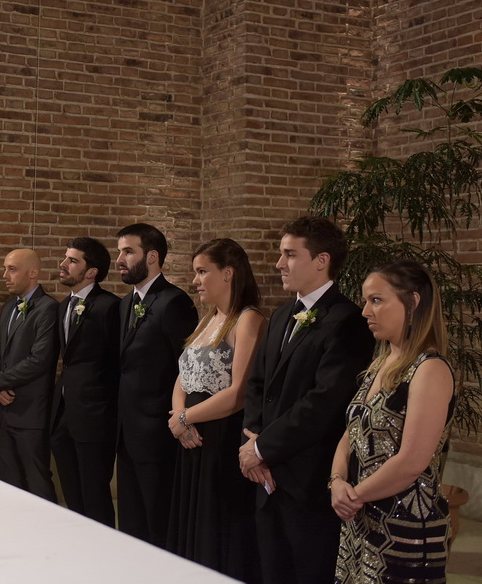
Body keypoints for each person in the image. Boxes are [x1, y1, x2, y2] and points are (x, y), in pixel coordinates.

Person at [240, 216, 374, 584]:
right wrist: (251, 443)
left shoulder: (348, 320)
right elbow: (256, 385)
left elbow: (325, 402)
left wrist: (264, 448)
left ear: (321, 260)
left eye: (289, 255)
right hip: (267, 479)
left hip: (309, 478)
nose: (279, 263)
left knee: (308, 572)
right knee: (271, 570)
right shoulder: (282, 314)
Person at [332, 260, 455, 583]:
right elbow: (352, 432)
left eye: (376, 300)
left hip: (403, 528)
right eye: (365, 300)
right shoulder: (380, 364)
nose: (364, 311)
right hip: (361, 521)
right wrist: (336, 481)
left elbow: (412, 460)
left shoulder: (430, 369)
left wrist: (354, 496)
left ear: (413, 303)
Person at [167, 239, 264, 581]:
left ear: (228, 274)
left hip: (221, 435)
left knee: (218, 522)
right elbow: (183, 376)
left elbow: (239, 393)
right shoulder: (208, 318)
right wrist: (178, 418)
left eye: (202, 272)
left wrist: (184, 418)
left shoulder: (247, 319)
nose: (195, 280)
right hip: (191, 435)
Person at [115, 223, 198, 546]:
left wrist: (181, 419)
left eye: (128, 251)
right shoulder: (125, 304)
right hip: (127, 430)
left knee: (158, 522)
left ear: (152, 256)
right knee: (132, 523)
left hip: (157, 432)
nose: (120, 258)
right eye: (120, 251)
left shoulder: (173, 302)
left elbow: (186, 368)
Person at [50, 237, 120, 527]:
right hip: (64, 413)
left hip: (94, 416)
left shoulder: (109, 307)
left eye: (73, 260)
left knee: (95, 495)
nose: (63, 264)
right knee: (72, 495)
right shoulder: (63, 306)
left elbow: (117, 362)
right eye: (65, 258)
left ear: (92, 272)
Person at [0, 248, 59, 502]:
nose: (5, 275)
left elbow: (39, 360)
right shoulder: (8, 308)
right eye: (5, 268)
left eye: (12, 269)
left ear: (33, 272)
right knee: (8, 482)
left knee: (37, 480)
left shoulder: (48, 308)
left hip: (30, 412)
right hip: (4, 411)